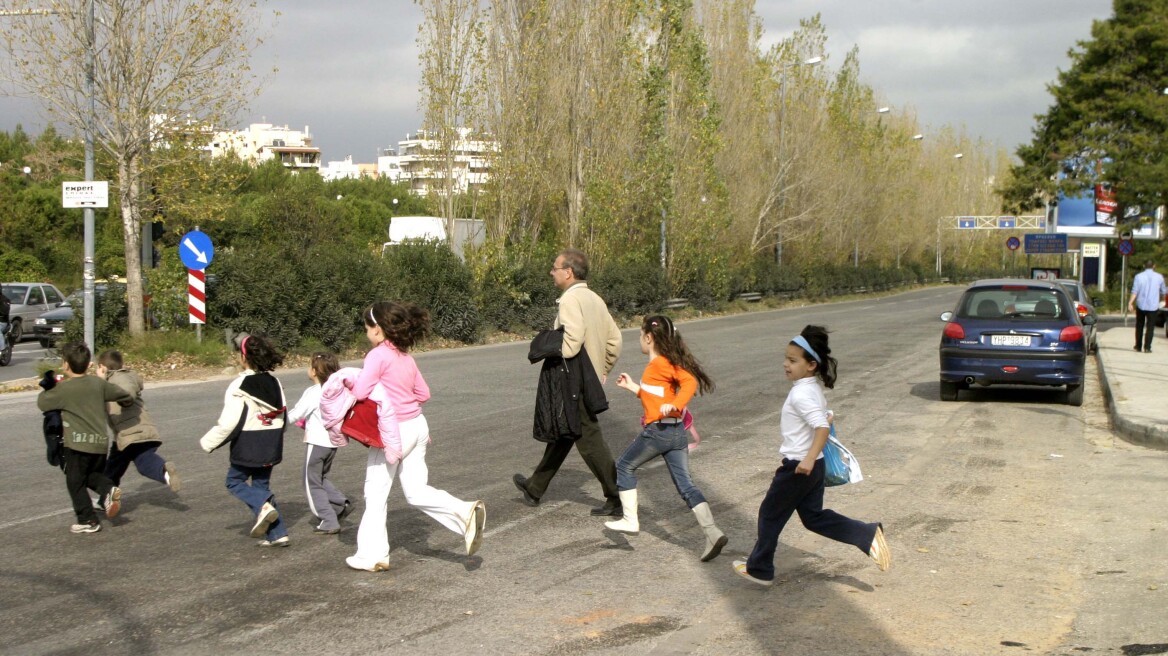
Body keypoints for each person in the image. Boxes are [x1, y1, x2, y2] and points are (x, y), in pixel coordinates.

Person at [733, 325, 890, 586]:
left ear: (811, 365)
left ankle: (759, 569)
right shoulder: (811, 388)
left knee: (770, 514)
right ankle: (866, 534)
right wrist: (818, 440)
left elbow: (822, 426)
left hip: (799, 467)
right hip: (813, 467)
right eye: (786, 358)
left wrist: (806, 459)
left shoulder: (801, 393)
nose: (786, 364)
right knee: (814, 518)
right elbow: (824, 417)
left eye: (793, 360)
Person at [345, 301, 485, 572]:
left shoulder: (377, 355)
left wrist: (348, 382)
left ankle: (372, 555)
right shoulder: (405, 357)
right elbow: (423, 394)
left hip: (393, 431)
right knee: (416, 490)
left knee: (375, 493)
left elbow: (361, 392)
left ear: (377, 329)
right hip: (417, 427)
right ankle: (465, 511)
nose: (366, 333)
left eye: (366, 328)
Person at [605, 315, 728, 562]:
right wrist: (635, 388)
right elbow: (657, 397)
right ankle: (712, 532)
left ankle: (630, 519)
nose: (640, 340)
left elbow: (690, 383)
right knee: (686, 485)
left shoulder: (660, 363)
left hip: (659, 433)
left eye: (640, 336)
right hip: (676, 434)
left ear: (649, 338)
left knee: (624, 466)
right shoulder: (660, 366)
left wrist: (674, 404)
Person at [513, 248, 624, 516]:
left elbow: (571, 342)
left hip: (572, 378)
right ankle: (534, 487)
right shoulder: (595, 299)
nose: (552, 272)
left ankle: (617, 495)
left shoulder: (569, 301)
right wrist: (602, 369)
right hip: (588, 377)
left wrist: (550, 350)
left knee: (588, 438)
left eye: (555, 268)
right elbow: (615, 341)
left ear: (568, 272)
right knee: (567, 431)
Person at [200, 333, 291, 548]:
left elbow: (230, 422)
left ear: (244, 357)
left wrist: (208, 442)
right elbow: (283, 415)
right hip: (271, 442)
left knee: (234, 481)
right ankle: (277, 534)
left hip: (248, 443)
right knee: (261, 485)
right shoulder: (275, 382)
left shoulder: (239, 385)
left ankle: (263, 508)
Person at [36, 341, 133, 534]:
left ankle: (88, 519)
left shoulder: (64, 388)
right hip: (99, 444)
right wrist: (128, 401)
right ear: (88, 363)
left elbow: (43, 403)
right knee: (90, 476)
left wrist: (50, 386)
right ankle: (108, 489)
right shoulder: (98, 384)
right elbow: (123, 395)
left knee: (75, 482)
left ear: (65, 364)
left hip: (76, 444)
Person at [96, 350, 181, 494]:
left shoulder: (118, 378)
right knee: (120, 467)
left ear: (102, 367)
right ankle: (164, 473)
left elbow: (127, 392)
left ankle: (106, 499)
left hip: (131, 433)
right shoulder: (119, 378)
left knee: (128, 466)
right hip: (132, 433)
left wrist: (125, 399)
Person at [287, 351, 352, 535]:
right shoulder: (336, 391)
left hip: (317, 442)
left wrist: (277, 423)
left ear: (315, 371)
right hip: (332, 443)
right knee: (321, 477)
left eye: (310, 366)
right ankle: (340, 504)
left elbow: (296, 413)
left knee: (311, 481)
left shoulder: (314, 392)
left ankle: (327, 518)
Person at [1128, 259, 1167, 353]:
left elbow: (1135, 291)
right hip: (1153, 306)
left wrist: (1130, 302)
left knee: (1139, 326)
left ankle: (1138, 346)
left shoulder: (1138, 276)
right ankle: (1147, 347)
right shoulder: (1159, 277)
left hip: (1141, 305)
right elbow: (1163, 291)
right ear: (1154, 266)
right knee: (1150, 327)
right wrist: (1161, 297)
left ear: (1143, 266)